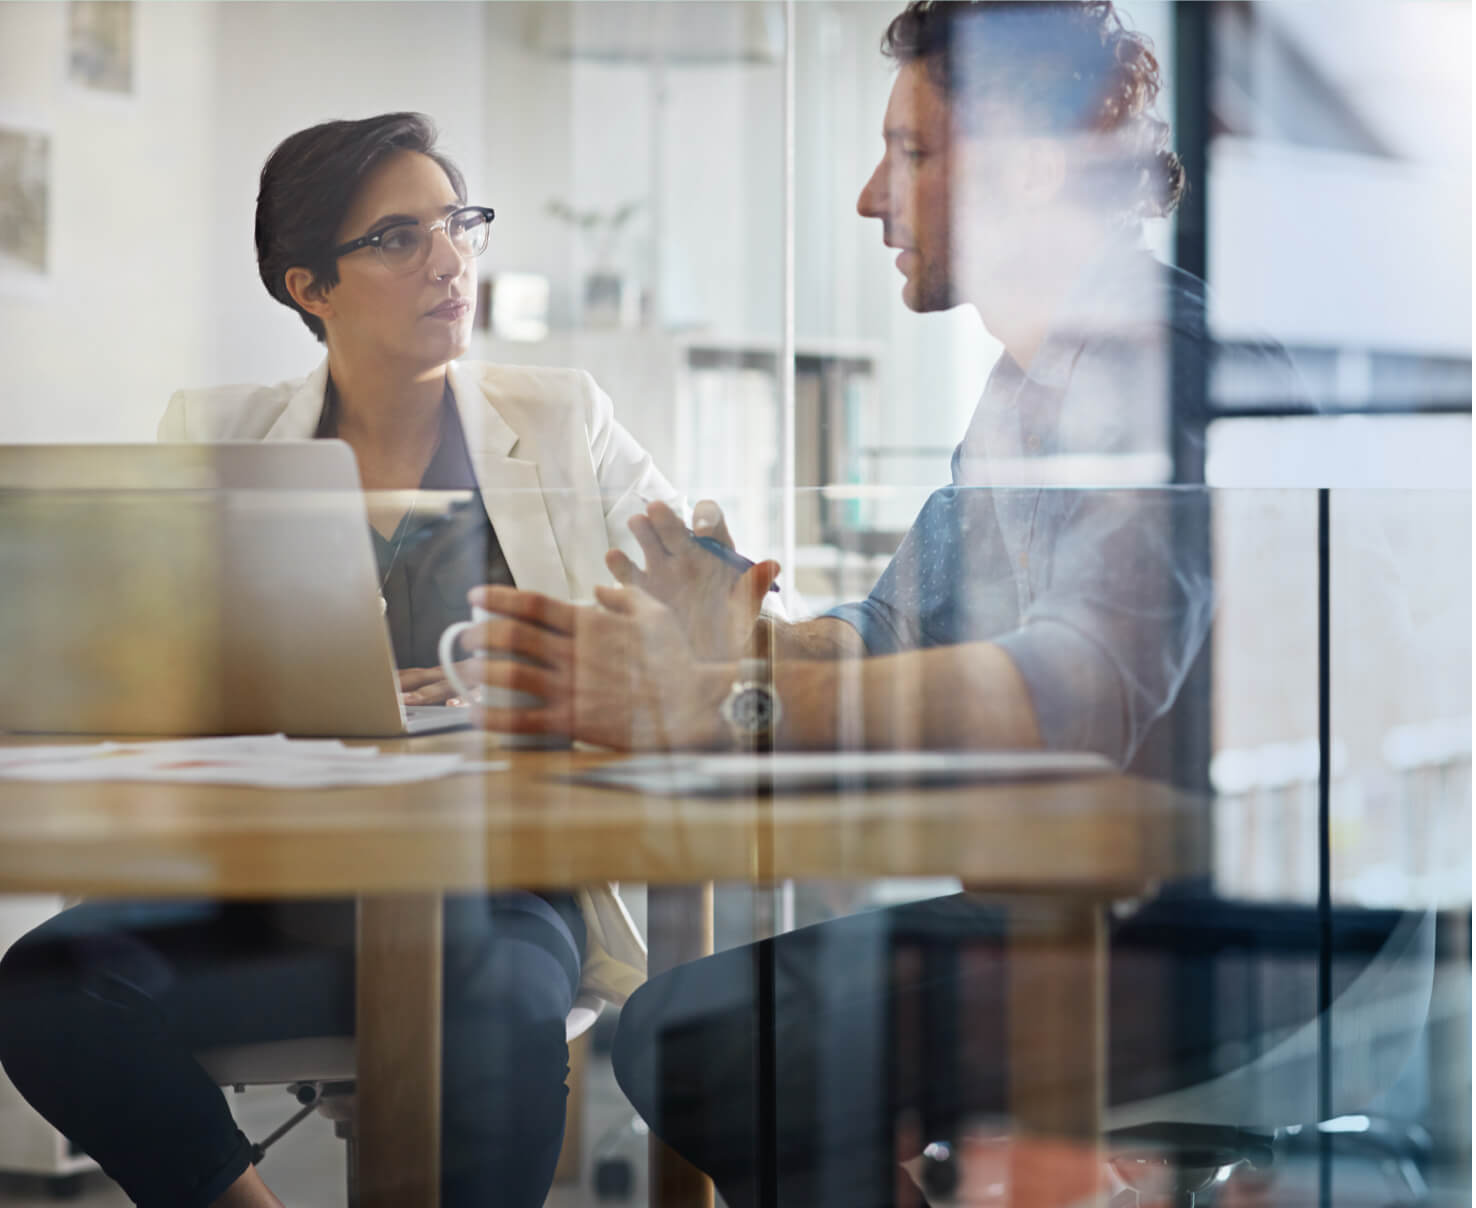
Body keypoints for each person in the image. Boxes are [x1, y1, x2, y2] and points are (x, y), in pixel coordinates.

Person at [435, 5, 1423, 1207]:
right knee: (699, 1032)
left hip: (1239, 939)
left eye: (909, 153)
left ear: (1024, 168)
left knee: (706, 1041)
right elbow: (899, 624)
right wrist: (740, 633)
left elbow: (1072, 696)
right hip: (1103, 904)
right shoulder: (1025, 388)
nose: (866, 196)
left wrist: (722, 699)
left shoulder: (1141, 366)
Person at [0, 112, 679, 1208]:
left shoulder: (559, 419)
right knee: (45, 985)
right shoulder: (220, 435)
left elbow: (685, 605)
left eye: (460, 223)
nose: (450, 257)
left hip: (496, 879)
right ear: (308, 284)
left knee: (498, 996)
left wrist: (562, 666)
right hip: (275, 893)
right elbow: (154, 677)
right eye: (400, 237)